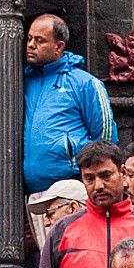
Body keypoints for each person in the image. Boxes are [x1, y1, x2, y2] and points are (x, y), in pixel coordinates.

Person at [24, 14, 118, 193]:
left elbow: (105, 139)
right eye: (29, 39)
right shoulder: (26, 82)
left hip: (72, 187)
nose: (30, 45)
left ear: (58, 47)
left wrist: (92, 181)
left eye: (39, 40)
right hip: (32, 192)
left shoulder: (84, 83)